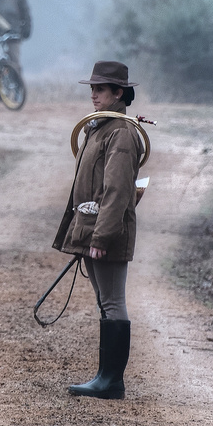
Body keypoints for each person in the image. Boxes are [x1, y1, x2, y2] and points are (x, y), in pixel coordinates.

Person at [52, 61, 146, 399]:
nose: (93, 94)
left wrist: (102, 237)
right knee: (106, 303)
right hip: (94, 230)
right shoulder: (101, 128)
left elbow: (118, 191)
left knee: (112, 302)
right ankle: (105, 378)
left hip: (107, 233)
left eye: (100, 89)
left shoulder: (120, 133)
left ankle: (111, 381)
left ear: (118, 93)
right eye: (92, 89)